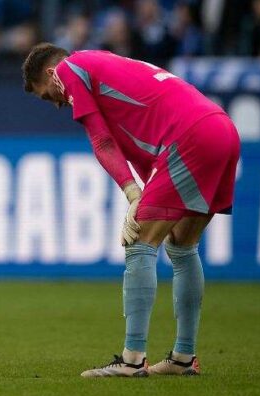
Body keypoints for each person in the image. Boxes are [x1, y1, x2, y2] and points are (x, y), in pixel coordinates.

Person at [21, 43, 240, 377]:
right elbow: (139, 148)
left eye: (47, 95)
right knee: (182, 246)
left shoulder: (69, 69)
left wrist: (133, 194)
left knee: (139, 241)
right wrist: (140, 191)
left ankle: (132, 359)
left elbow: (101, 141)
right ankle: (183, 358)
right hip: (221, 129)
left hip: (190, 135)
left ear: (52, 73)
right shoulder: (104, 65)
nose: (56, 104)